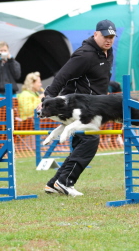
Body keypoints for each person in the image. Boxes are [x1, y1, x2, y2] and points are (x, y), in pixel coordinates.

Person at [38, 19, 117, 197]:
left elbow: (97, 77)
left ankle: (55, 183)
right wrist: (47, 98)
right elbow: (62, 76)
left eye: (112, 37)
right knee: (90, 140)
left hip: (93, 105)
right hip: (76, 106)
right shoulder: (85, 55)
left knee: (83, 143)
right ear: (96, 34)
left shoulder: (107, 52)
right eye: (105, 36)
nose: (109, 40)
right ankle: (65, 182)